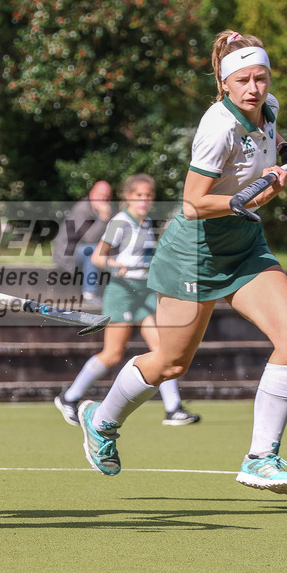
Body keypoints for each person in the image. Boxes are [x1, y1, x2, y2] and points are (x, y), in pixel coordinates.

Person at [76, 30, 287, 495]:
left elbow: (268, 141)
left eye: (260, 78)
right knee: (170, 363)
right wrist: (247, 196)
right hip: (194, 254)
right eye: (242, 80)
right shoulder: (215, 127)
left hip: (244, 246)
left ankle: (261, 457)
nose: (253, 89)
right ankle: (100, 420)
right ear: (224, 83)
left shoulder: (270, 107)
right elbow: (191, 204)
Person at [53, 174, 200, 428]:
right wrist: (114, 264)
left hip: (144, 292)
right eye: (138, 195)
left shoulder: (146, 223)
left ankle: (173, 408)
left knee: (163, 351)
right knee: (112, 354)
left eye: (148, 196)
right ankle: (69, 397)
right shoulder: (120, 222)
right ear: (128, 197)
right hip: (121, 292)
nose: (144, 200)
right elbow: (98, 257)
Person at [51, 180, 113, 301]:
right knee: (93, 250)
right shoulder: (82, 209)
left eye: (107, 196)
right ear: (92, 194)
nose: (104, 199)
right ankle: (89, 293)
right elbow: (89, 238)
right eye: (100, 195)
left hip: (80, 250)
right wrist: (103, 219)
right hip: (67, 253)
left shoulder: (99, 210)